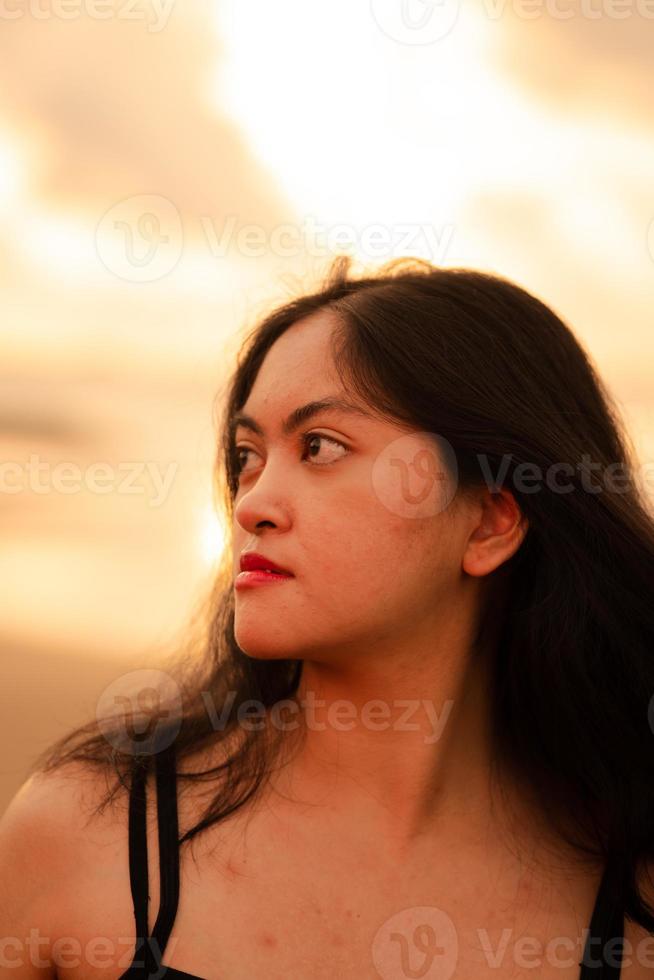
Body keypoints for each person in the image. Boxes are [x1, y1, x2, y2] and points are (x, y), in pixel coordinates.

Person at [2, 254, 654, 979]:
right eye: (247, 455)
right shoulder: (86, 836)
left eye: (320, 447)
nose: (251, 503)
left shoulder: (628, 908)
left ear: (489, 524)